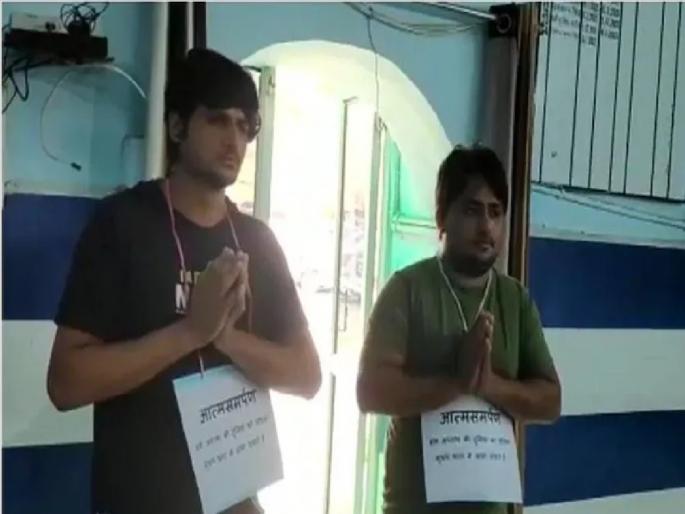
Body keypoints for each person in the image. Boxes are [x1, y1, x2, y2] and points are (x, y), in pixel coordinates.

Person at [47, 48, 321, 514]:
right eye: (217, 120)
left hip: (235, 503)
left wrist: (226, 338)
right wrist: (190, 332)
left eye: (244, 126)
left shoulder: (257, 242)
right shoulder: (121, 224)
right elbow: (66, 383)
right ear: (177, 127)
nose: (234, 140)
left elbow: (306, 375)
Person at [356, 146, 561, 514]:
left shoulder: (515, 300)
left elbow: (551, 401)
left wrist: (489, 385)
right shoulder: (407, 289)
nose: (486, 227)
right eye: (471, 210)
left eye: (495, 212)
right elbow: (371, 391)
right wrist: (455, 382)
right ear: (442, 217)